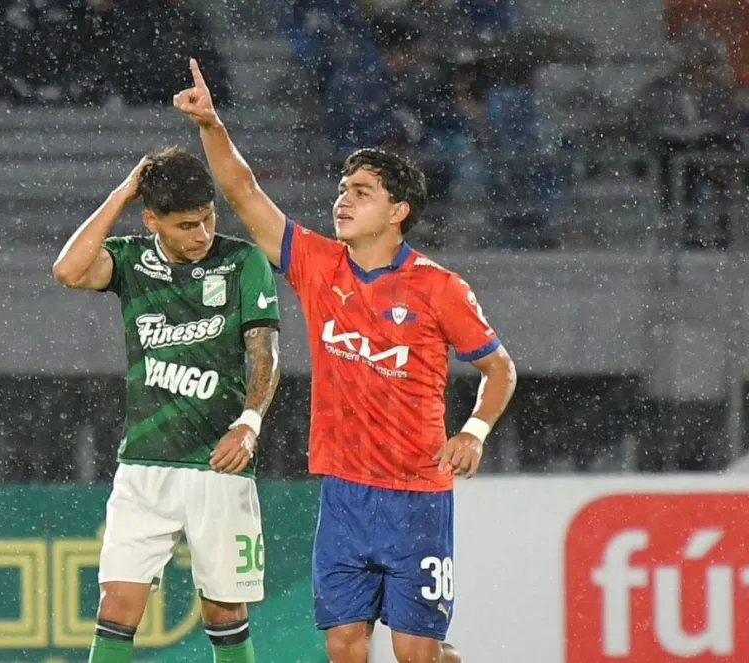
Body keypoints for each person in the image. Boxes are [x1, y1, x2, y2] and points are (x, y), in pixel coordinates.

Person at [174, 60, 517, 663]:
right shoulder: (318, 265)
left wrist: (474, 431)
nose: (343, 200)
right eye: (341, 188)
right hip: (346, 494)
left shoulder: (439, 288)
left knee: (415, 653)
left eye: (362, 192)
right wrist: (210, 124)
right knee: (344, 645)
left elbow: (500, 369)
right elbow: (243, 192)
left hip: (418, 495)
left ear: (398, 210)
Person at [52, 147, 282, 663]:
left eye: (207, 219)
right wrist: (122, 193)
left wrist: (249, 424)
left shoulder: (241, 261)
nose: (201, 234)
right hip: (145, 463)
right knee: (118, 604)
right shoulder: (131, 261)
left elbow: (264, 353)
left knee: (224, 611)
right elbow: (67, 270)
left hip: (218, 463)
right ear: (151, 220)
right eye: (185, 225)